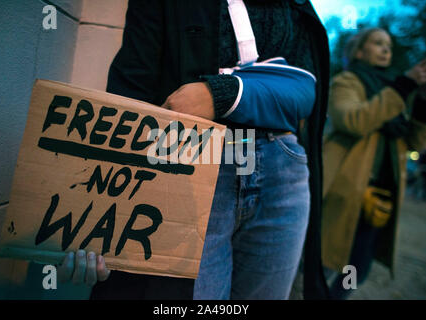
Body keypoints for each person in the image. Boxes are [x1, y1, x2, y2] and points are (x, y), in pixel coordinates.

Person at [58, 0, 331, 300]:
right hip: (193, 163)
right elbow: (132, 90)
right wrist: (99, 217)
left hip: (281, 171)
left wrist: (221, 94)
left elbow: (306, 91)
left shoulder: (294, 4)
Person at [321, 27, 426, 299]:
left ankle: (335, 298)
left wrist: (422, 103)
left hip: (379, 197)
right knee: (327, 259)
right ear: (358, 50)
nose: (385, 49)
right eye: (377, 43)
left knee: (357, 267)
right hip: (345, 192)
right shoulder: (347, 81)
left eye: (388, 45)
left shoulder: (394, 90)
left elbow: (415, 143)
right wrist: (403, 87)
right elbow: (354, 122)